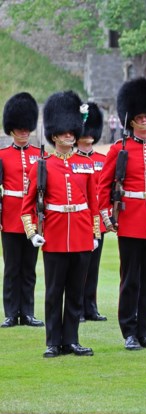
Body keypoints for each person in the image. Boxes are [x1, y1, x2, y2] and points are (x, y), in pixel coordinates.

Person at [21, 91, 100, 357]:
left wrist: (95, 233)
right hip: (54, 235)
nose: (69, 136)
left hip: (80, 235)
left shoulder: (85, 165)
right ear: (54, 135)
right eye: (64, 132)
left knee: (76, 293)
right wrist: (33, 234)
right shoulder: (42, 166)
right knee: (54, 292)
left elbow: (93, 203)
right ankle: (53, 342)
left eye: (72, 132)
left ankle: (71, 340)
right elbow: (27, 206)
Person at [98, 77, 146, 350]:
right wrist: (108, 216)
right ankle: (129, 331)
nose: (144, 121)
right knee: (130, 279)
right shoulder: (118, 150)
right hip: (130, 220)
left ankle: (145, 332)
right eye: (139, 117)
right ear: (130, 120)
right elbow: (103, 187)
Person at [0, 92, 44, 328]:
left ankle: (27, 312)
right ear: (12, 129)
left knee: (29, 269)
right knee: (12, 269)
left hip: (33, 220)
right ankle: (10, 313)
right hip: (9, 217)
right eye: (19, 128)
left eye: (27, 128)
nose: (24, 132)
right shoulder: (2, 156)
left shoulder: (40, 156)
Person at [76, 102, 108, 322]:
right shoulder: (72, 160)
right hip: (78, 220)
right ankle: (77, 308)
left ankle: (91, 306)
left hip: (97, 222)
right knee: (78, 269)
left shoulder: (102, 161)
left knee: (93, 267)